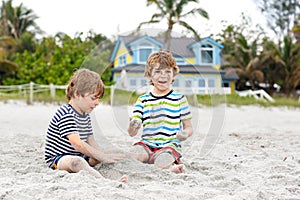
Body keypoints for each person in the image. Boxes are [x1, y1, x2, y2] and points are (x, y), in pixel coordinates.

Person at [45, 68, 127, 183]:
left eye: (98, 99)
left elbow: (90, 139)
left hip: (80, 155)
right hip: (59, 158)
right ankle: (104, 181)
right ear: (77, 94)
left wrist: (102, 154)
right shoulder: (66, 113)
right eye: (93, 98)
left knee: (107, 152)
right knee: (77, 162)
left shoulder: (85, 115)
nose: (97, 103)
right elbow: (77, 144)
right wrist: (101, 156)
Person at [127, 51, 193, 173]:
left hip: (169, 145)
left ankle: (171, 168)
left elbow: (189, 127)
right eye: (157, 72)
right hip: (146, 145)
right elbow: (131, 133)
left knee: (162, 162)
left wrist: (185, 134)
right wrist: (133, 125)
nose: (163, 76)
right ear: (149, 74)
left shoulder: (180, 99)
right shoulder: (143, 100)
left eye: (168, 71)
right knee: (133, 156)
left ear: (174, 74)